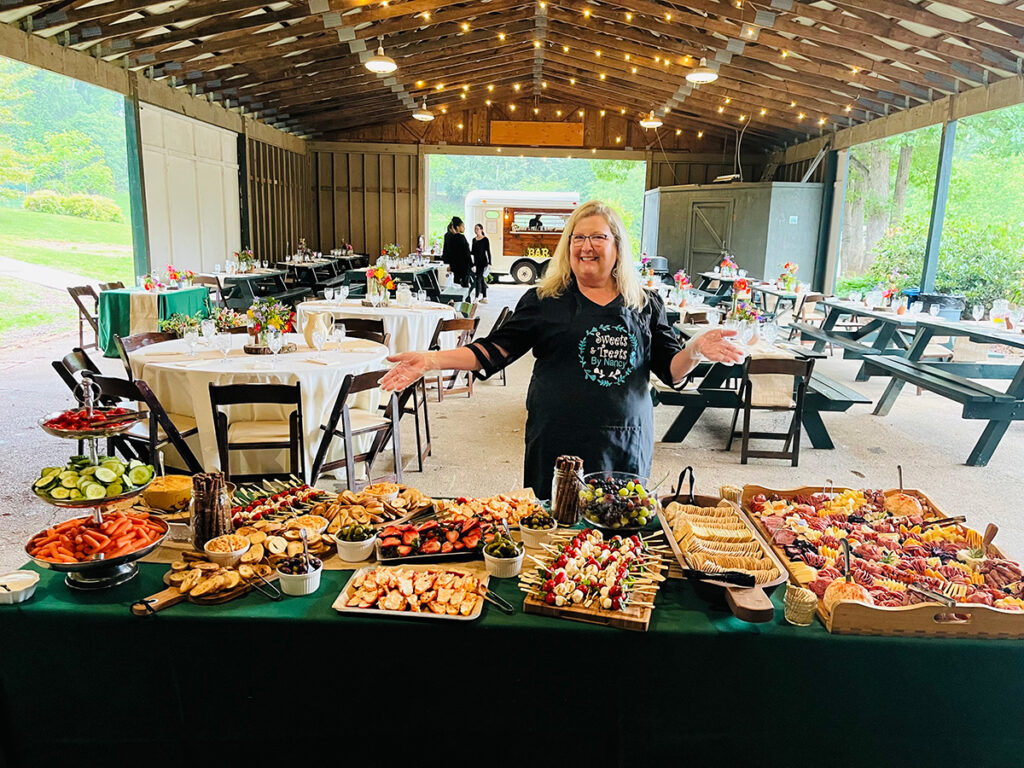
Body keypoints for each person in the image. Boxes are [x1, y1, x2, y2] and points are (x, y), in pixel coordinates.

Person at [381, 200, 744, 497]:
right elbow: (494, 350)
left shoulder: (645, 304)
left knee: (616, 537)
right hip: (558, 437)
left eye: (598, 237)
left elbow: (670, 369)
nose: (586, 246)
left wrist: (694, 349)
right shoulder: (544, 300)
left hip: (623, 440)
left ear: (617, 246)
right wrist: (430, 360)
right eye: (577, 237)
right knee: (554, 532)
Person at [442, 216, 471, 288]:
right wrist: (471, 265)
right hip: (463, 266)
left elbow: (448, 252)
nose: (464, 228)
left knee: (456, 285)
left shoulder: (450, 237)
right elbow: (466, 253)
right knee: (465, 286)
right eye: (462, 226)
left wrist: (449, 264)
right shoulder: (461, 237)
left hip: (455, 266)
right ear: (457, 227)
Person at [470, 223, 491, 303]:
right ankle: (485, 297)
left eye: (477, 229)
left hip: (483, 262)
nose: (476, 230)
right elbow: (473, 252)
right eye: (475, 229)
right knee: (481, 279)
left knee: (478, 279)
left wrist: (490, 263)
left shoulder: (485, 239)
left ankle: (476, 297)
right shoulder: (474, 240)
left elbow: (488, 251)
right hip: (476, 262)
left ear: (481, 230)